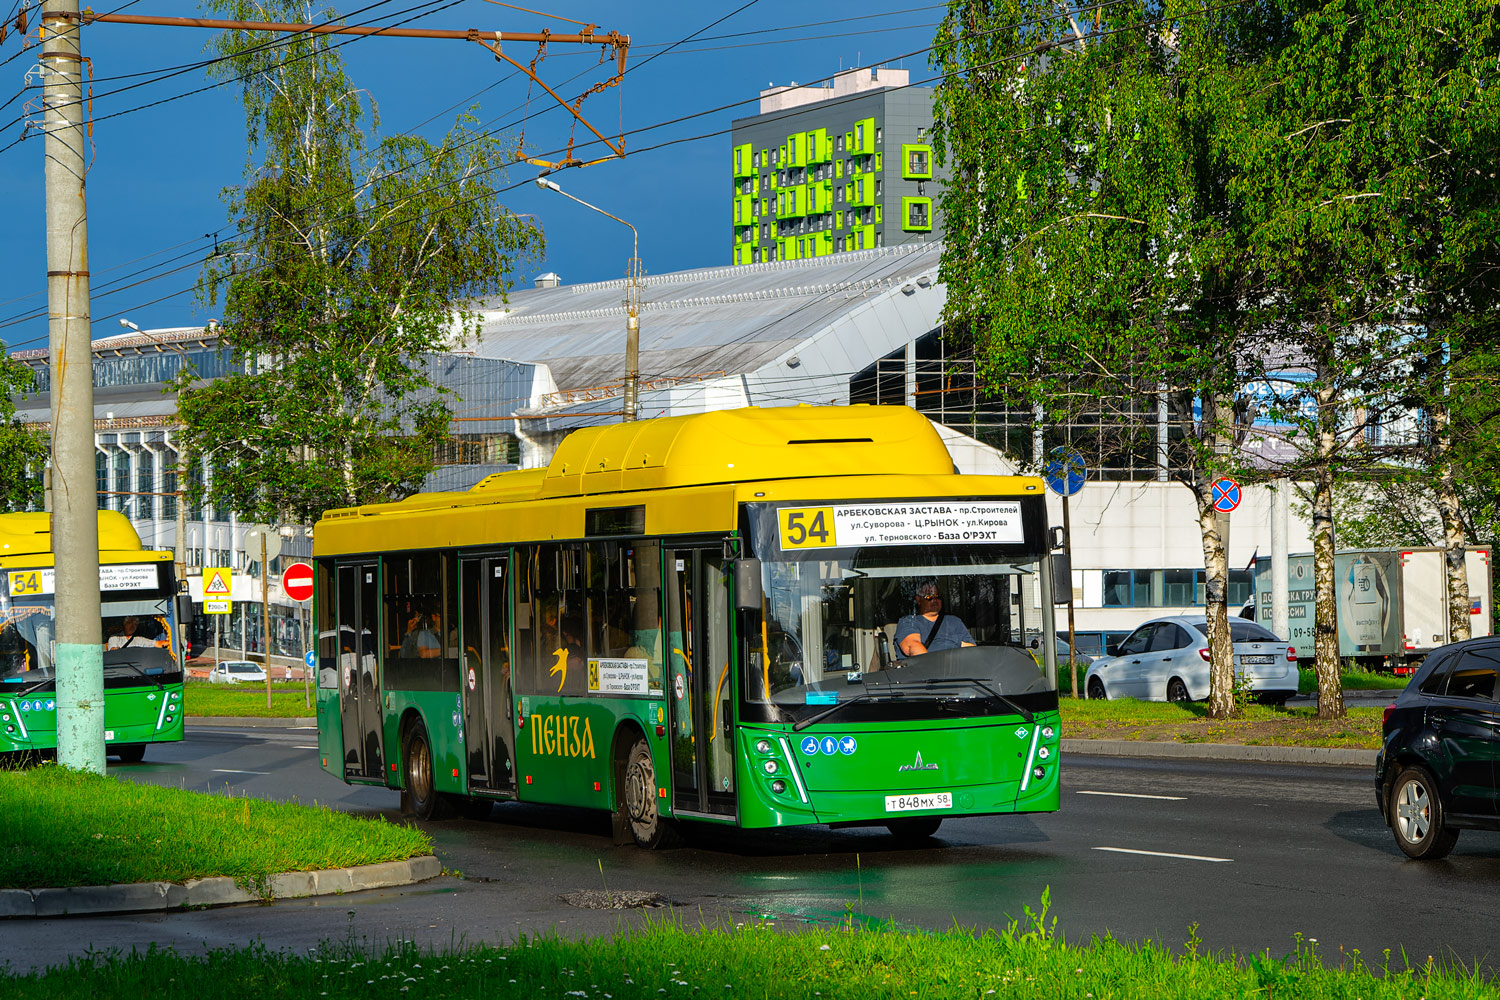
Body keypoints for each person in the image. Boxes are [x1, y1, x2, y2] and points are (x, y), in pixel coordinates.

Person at [895, 581, 976, 659]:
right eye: (929, 597)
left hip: (956, 668)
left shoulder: (954, 621)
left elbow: (971, 651)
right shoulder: (909, 621)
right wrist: (932, 668)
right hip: (925, 669)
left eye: (938, 596)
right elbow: (912, 646)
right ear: (918, 600)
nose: (935, 600)